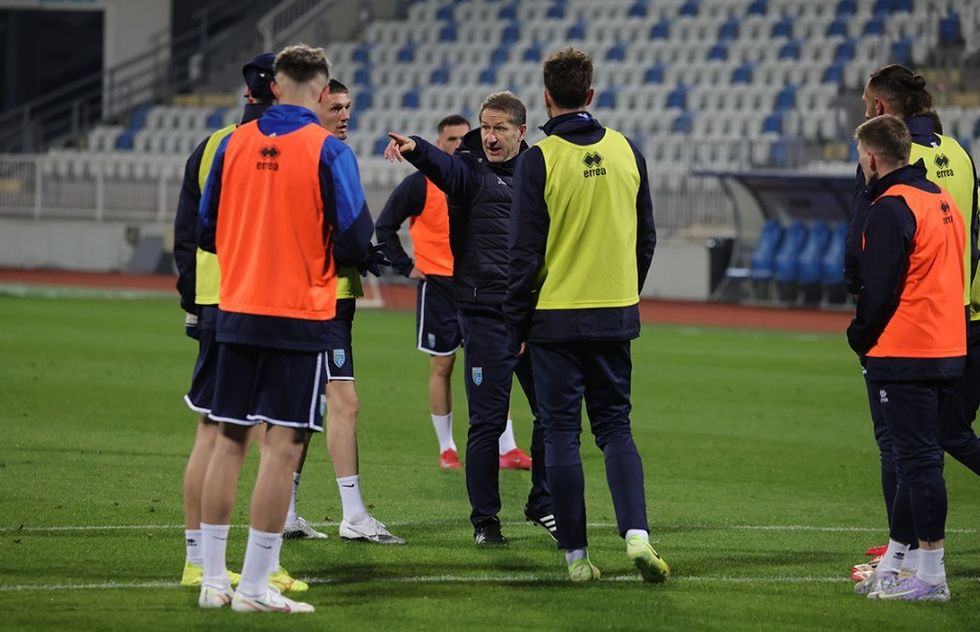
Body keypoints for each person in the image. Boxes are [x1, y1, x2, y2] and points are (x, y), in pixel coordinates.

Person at [196, 44, 374, 613]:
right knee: (281, 448)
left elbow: (206, 229)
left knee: (229, 442)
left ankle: (211, 580)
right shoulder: (328, 150)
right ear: (322, 92)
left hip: (236, 309)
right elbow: (355, 239)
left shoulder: (233, 143)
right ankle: (253, 586)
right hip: (299, 314)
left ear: (275, 86)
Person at [504, 47, 666, 583]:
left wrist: (515, 323)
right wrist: (623, 293)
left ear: (546, 97)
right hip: (614, 315)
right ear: (591, 94)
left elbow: (523, 254)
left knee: (560, 435)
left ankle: (576, 556)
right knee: (616, 428)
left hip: (554, 320)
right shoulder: (626, 150)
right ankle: (637, 534)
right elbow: (646, 238)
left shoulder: (539, 159)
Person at [385, 92, 555, 545]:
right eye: (487, 127)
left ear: (521, 131)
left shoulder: (539, 170)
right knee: (487, 423)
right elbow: (444, 168)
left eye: (501, 128)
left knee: (553, 415)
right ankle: (486, 521)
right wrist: (417, 149)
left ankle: (542, 503)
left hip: (534, 316)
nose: (491, 136)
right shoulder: (468, 170)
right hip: (484, 316)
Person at [172, 52, 306, 594]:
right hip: (260, 301)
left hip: (214, 299)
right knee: (269, 437)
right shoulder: (288, 143)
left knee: (216, 431)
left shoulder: (213, 144)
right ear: (281, 90)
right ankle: (257, 565)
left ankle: (200, 561)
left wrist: (193, 295)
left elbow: (188, 228)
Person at [846, 64, 980, 583]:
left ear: (881, 108)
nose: (864, 112)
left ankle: (904, 557)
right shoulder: (959, 155)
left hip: (909, 329)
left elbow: (864, 248)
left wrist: (862, 323)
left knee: (905, 446)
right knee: (945, 436)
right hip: (962, 318)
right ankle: (908, 556)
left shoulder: (890, 163)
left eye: (867, 105)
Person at [282, 78, 404, 545]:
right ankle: (352, 515)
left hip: (317, 295)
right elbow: (340, 228)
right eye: (336, 107)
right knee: (344, 404)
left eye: (348, 106)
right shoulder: (327, 157)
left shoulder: (300, 155)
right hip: (322, 300)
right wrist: (359, 251)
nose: (345, 115)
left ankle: (285, 511)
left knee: (306, 407)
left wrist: (358, 253)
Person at [375, 114, 534, 472]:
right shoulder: (420, 184)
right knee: (442, 364)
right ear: (438, 143)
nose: (458, 145)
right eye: (450, 139)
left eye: (464, 138)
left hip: (480, 288)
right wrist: (405, 266)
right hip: (439, 287)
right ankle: (446, 446)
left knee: (496, 366)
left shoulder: (485, 176)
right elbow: (384, 226)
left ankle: (507, 447)